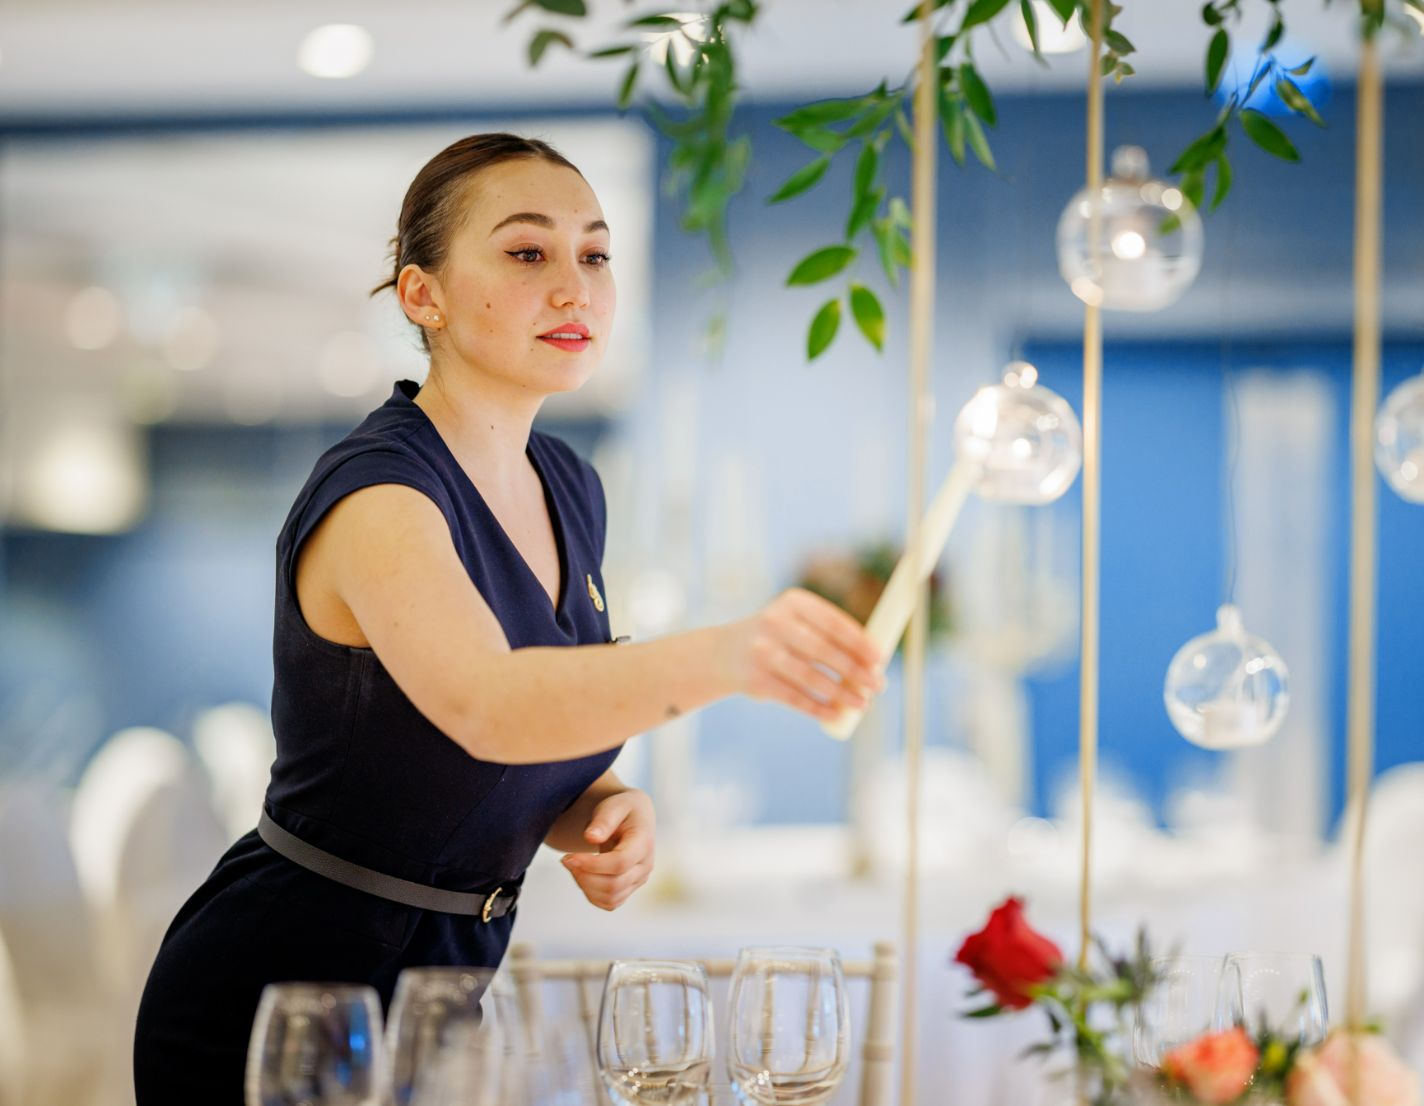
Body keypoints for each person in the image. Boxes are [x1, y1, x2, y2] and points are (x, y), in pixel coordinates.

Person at [132, 132, 884, 1103]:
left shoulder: (569, 486)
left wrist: (597, 805)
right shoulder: (380, 494)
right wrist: (729, 651)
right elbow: (488, 703)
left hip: (449, 987)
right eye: (528, 252)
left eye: (595, 253)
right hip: (291, 998)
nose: (574, 286)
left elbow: (517, 733)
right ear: (422, 295)